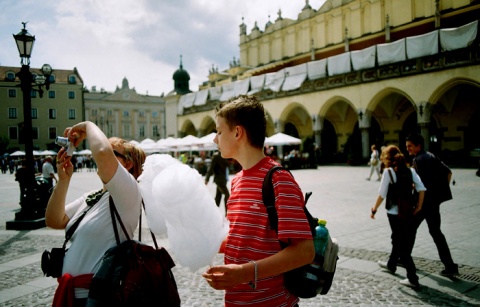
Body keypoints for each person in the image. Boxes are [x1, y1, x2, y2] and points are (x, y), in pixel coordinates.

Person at [202, 95, 315, 307]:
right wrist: (206, 243)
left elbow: (305, 251)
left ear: (237, 132)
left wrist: (244, 273)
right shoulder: (236, 181)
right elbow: (245, 238)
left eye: (218, 131)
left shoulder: (278, 179)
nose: (214, 139)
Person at [45, 121, 146, 306]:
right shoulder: (93, 196)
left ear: (129, 164)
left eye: (112, 150)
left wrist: (87, 125)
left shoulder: (129, 191)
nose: (99, 152)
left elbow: (101, 152)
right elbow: (54, 220)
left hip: (98, 297)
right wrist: (63, 181)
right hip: (72, 294)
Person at [370, 145, 426, 288]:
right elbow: (421, 188)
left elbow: (382, 194)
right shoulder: (410, 170)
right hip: (408, 212)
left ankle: (412, 278)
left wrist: (374, 209)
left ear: (387, 158)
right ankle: (391, 264)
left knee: (401, 244)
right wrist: (419, 206)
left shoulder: (388, 172)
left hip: (394, 213)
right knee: (398, 238)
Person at [406, 133, 458, 276]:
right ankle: (450, 266)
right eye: (407, 146)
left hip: (423, 204)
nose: (407, 149)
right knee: (436, 233)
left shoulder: (418, 160)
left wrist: (419, 205)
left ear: (418, 146)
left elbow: (419, 186)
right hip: (433, 203)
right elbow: (448, 173)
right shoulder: (431, 156)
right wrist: (438, 193)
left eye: (410, 146)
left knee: (410, 228)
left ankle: (403, 258)